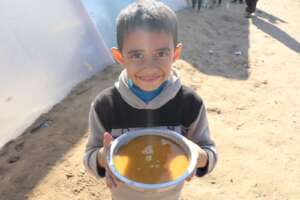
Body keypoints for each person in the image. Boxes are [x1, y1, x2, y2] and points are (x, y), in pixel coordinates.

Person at [83, 1, 217, 199]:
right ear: (120, 57)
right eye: (137, 55)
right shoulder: (105, 105)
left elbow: (209, 152)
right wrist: (103, 157)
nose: (149, 67)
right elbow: (89, 158)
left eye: (161, 53)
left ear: (175, 54)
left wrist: (200, 156)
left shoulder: (190, 104)